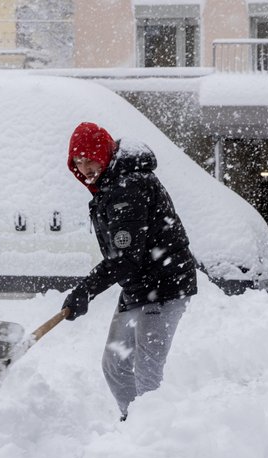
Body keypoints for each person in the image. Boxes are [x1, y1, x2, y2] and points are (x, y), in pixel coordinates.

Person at [62, 122, 197, 421]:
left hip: (164, 284)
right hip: (138, 285)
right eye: (78, 162)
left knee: (147, 374)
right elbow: (125, 258)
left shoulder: (128, 187)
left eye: (90, 159)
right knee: (115, 365)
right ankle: (134, 428)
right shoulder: (111, 185)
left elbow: (126, 257)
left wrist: (85, 291)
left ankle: (153, 439)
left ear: (105, 154)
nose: (85, 168)